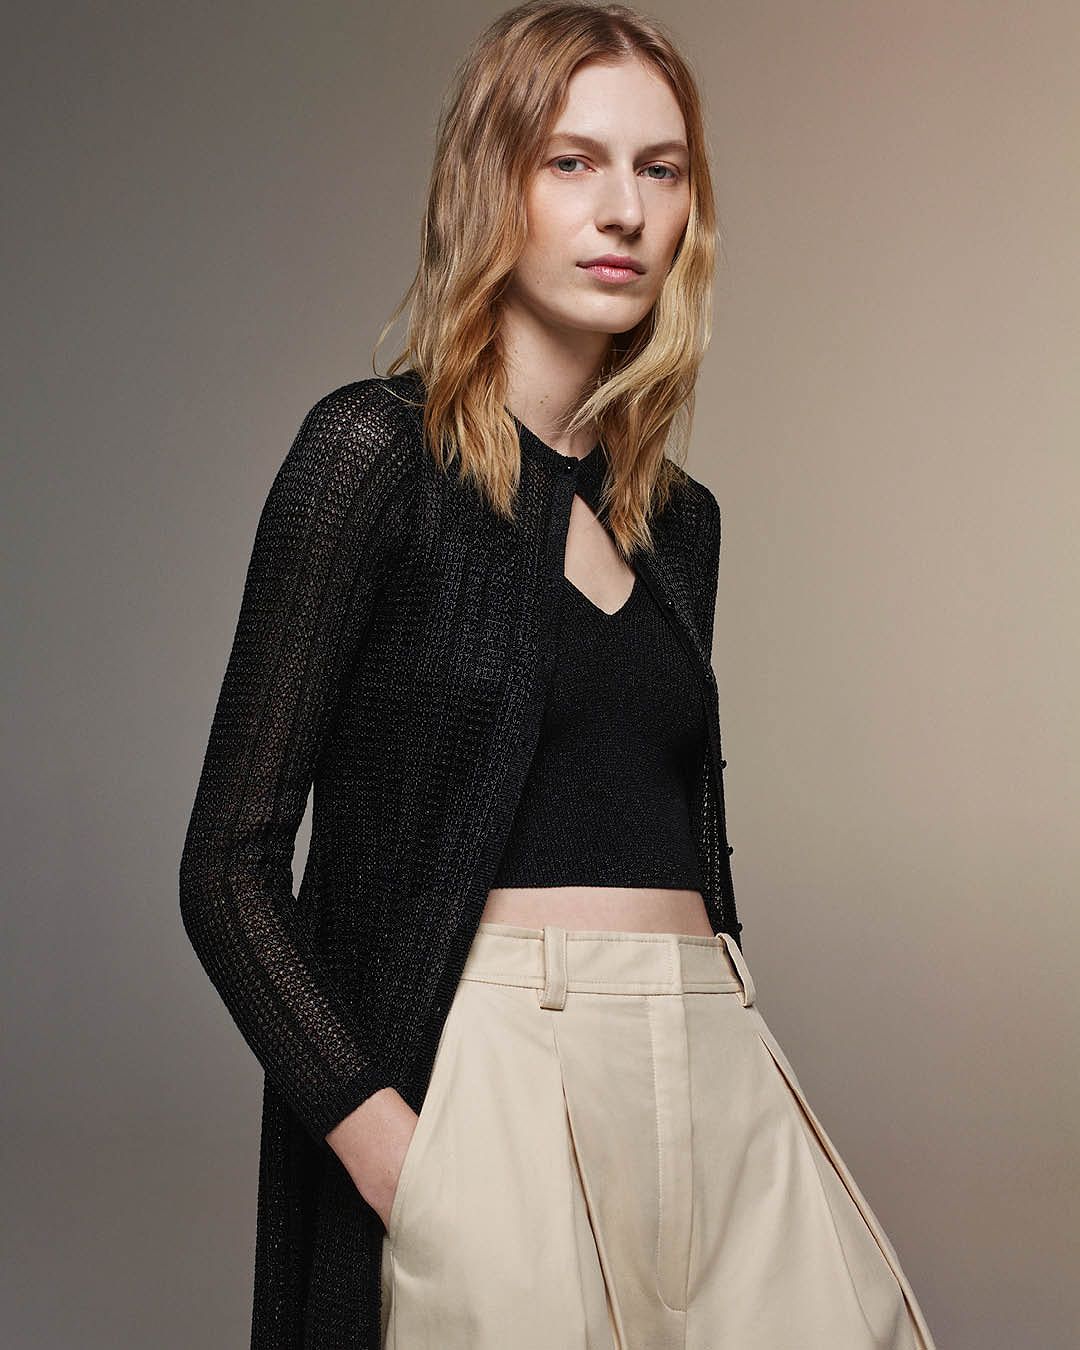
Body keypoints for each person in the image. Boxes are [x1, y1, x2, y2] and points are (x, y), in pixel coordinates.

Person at [179, 4, 940, 1347]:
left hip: (711, 1053)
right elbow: (228, 867)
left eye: (661, 169)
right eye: (572, 161)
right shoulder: (373, 458)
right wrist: (388, 1148)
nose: (625, 210)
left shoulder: (680, 524)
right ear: (494, 184)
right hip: (492, 1071)